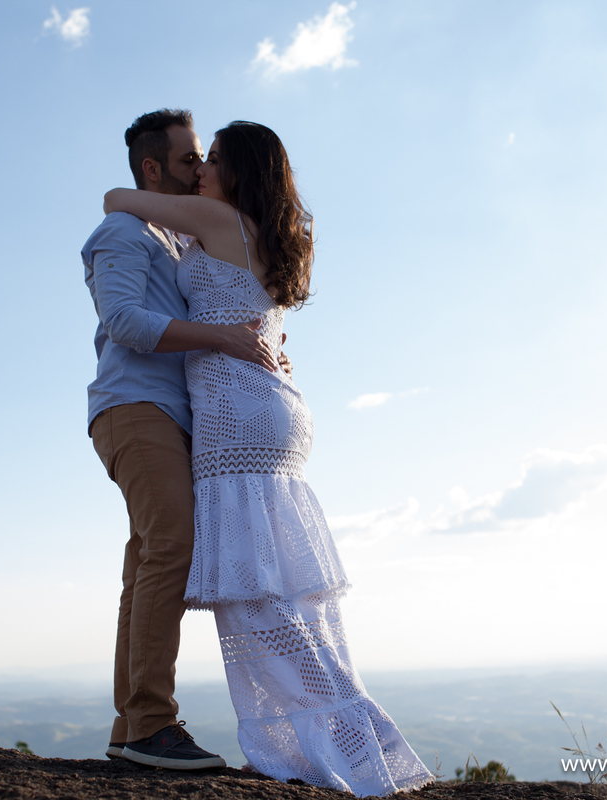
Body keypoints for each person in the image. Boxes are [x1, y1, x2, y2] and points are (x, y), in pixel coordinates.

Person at [103, 121, 434, 796]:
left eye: (212, 160)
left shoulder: (214, 216)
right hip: (275, 407)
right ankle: (345, 733)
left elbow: (115, 198)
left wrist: (167, 202)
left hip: (236, 415)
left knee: (257, 600)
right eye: (194, 159)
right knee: (283, 594)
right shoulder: (263, 230)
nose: (200, 170)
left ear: (240, 173)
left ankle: (332, 740)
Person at [81, 109, 282, 771]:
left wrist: (255, 341)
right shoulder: (123, 232)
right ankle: (152, 726)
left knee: (147, 560)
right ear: (152, 168)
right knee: (169, 547)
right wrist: (225, 338)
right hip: (135, 409)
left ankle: (130, 724)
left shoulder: (175, 240)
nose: (199, 170)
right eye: (190, 158)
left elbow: (220, 304)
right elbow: (126, 322)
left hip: (167, 416)